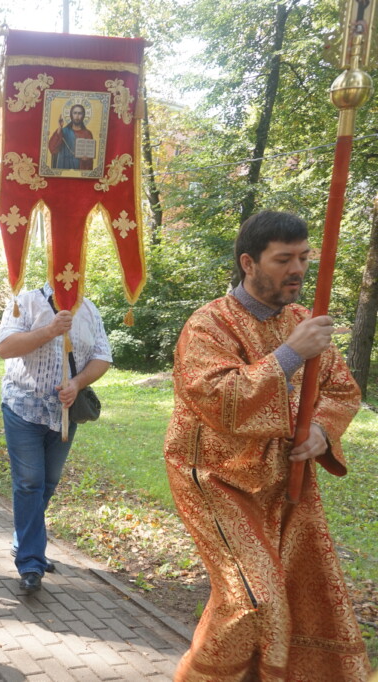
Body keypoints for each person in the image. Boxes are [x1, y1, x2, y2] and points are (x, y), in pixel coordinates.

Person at [165, 211, 369, 681]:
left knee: (300, 595)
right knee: (252, 599)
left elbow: (342, 391)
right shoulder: (208, 325)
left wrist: (320, 430)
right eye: (283, 259)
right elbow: (220, 401)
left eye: (303, 257)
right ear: (249, 263)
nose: (297, 268)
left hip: (283, 479)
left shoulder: (303, 320)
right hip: (215, 479)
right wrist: (291, 354)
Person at [0, 283, 111, 593]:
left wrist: (77, 382)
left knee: (48, 480)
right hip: (23, 407)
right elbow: (5, 347)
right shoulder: (25, 302)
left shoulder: (89, 309)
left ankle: (24, 540)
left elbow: (102, 356)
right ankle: (31, 562)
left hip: (64, 410)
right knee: (30, 481)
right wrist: (49, 330)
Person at [48, 103, 94, 170]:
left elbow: (90, 158)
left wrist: (87, 159)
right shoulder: (63, 131)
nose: (77, 116)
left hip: (79, 168)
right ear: (71, 115)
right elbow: (52, 149)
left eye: (80, 113)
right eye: (75, 113)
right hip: (63, 166)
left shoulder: (87, 134)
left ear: (83, 115)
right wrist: (59, 128)